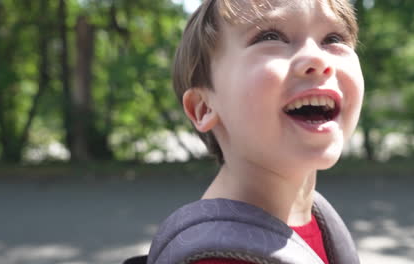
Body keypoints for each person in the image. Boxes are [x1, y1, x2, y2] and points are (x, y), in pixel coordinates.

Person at [146, 0, 364, 263]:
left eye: (333, 38)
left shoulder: (321, 223)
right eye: (270, 37)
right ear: (204, 108)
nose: (318, 59)